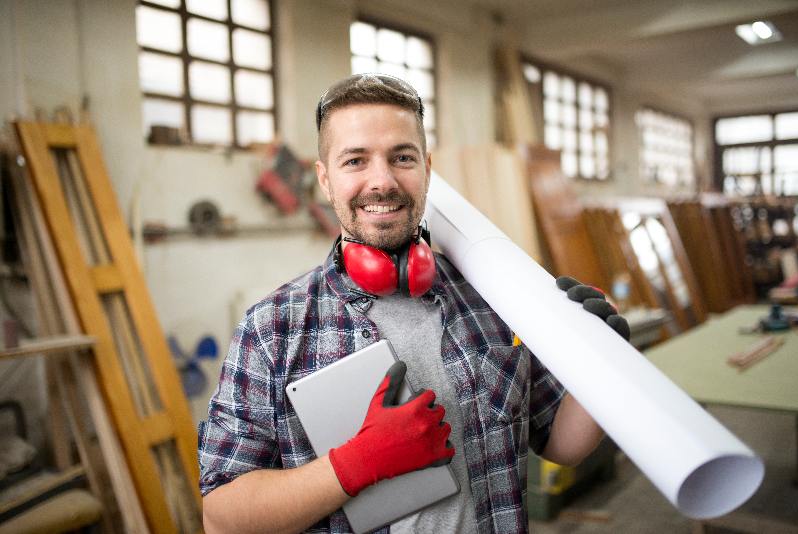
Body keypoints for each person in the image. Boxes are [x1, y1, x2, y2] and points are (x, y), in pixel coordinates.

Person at [198, 74, 629, 534]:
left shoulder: (493, 297)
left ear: (426, 167)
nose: (381, 181)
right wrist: (354, 464)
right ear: (325, 179)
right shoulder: (273, 330)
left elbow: (563, 444)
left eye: (401, 158)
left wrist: (602, 360)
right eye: (355, 161)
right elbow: (223, 518)